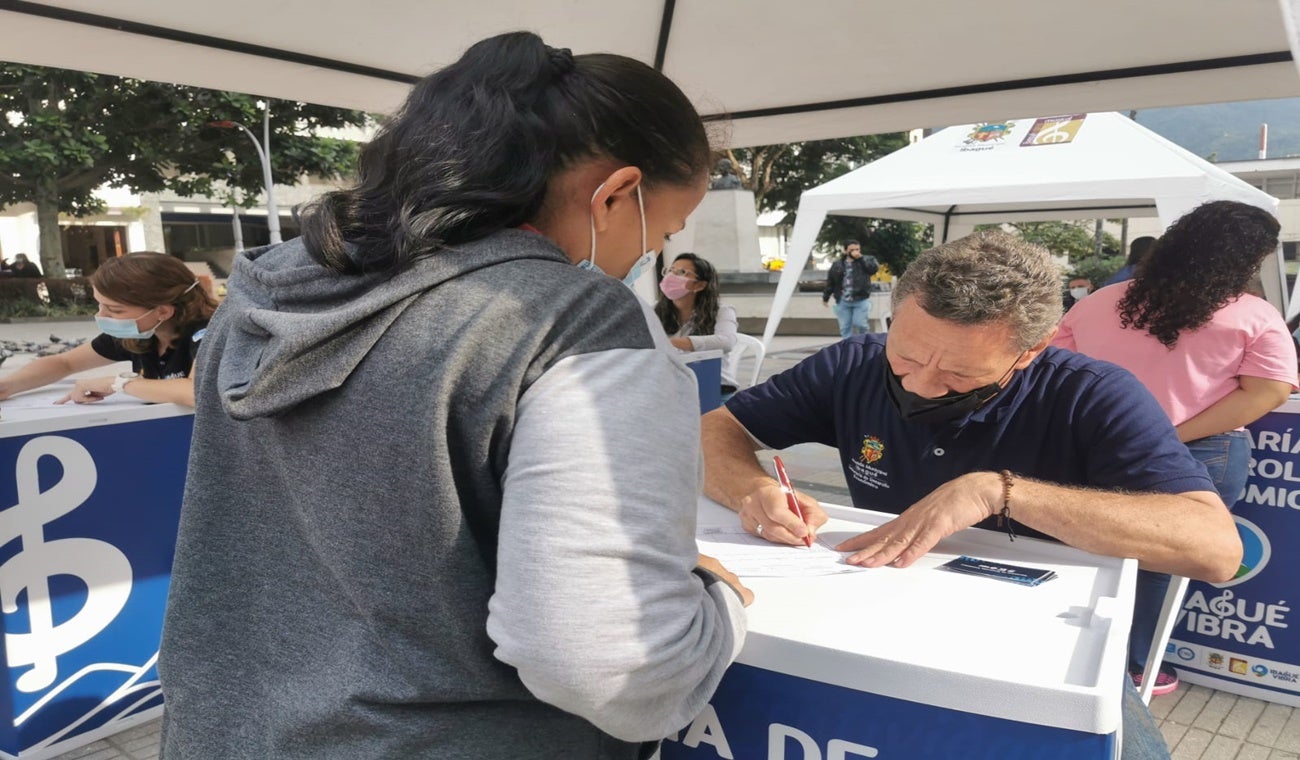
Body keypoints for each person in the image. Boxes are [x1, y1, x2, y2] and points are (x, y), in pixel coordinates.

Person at [158, 32, 750, 760]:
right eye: (662, 230)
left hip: (227, 731)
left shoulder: (268, 288)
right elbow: (604, 659)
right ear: (616, 193)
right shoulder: (567, 320)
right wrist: (716, 611)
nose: (650, 256)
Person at [701, 229, 1241, 760]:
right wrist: (754, 489)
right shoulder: (854, 364)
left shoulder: (1092, 395)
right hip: (870, 614)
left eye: (959, 375)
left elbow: (1216, 550)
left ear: (1031, 351)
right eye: (907, 356)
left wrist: (999, 493)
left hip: (1042, 651)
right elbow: (712, 431)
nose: (920, 385)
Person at [1055, 200, 1297, 696]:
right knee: (1163, 563)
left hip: (1097, 447)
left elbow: (1059, 370)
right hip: (1202, 452)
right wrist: (1169, 435)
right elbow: (1270, 390)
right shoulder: (1253, 315)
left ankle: (1079, 659)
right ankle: (1140, 665)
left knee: (1087, 546)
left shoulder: (1100, 301)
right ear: (1246, 260)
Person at [0, 252, 213, 407]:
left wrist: (119, 383)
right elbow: (64, 363)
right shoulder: (140, 334)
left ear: (163, 312)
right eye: (99, 305)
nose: (101, 316)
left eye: (115, 310)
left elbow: (197, 392)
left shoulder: (213, 332)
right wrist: (8, 385)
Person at [655, 252, 740, 400]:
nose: (671, 276)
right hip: (672, 388)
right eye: (670, 270)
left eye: (681, 272)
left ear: (700, 285)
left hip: (715, 387)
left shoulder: (722, 311)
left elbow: (726, 341)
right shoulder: (654, 310)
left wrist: (671, 343)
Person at [822, 239, 879, 338]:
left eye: (857, 249)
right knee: (845, 327)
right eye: (852, 250)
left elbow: (873, 269)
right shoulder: (837, 265)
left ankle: (864, 344)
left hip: (860, 299)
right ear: (845, 251)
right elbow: (831, 282)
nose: (855, 252)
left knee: (861, 324)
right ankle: (847, 348)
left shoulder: (866, 260)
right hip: (843, 300)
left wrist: (861, 259)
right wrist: (825, 297)